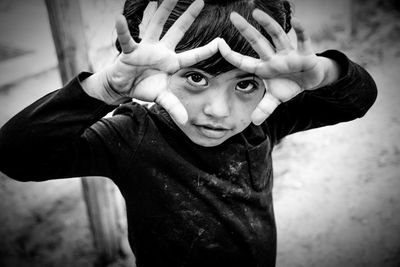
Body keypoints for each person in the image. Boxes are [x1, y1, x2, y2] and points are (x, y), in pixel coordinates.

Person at [0, 0, 377, 266]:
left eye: (245, 84)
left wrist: (323, 73)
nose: (218, 110)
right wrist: (107, 89)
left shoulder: (264, 119)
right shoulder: (133, 135)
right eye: (196, 78)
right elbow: (17, 154)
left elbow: (358, 100)